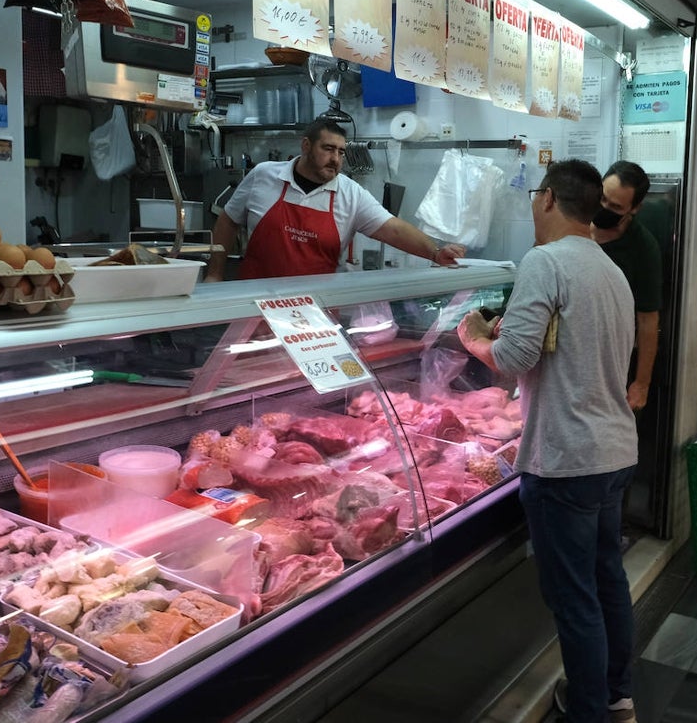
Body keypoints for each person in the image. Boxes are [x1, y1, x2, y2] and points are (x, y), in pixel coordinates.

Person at [457, 159, 640, 723]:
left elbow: (514, 360)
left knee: (574, 599)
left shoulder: (545, 261)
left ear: (548, 200)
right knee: (608, 579)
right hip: (613, 453)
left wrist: (473, 339)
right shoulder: (611, 270)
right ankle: (618, 696)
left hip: (566, 460)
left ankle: (588, 713)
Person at [206, 119, 465, 280]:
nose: (336, 159)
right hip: (254, 302)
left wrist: (436, 252)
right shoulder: (264, 175)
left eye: (341, 152)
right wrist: (215, 275)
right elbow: (228, 221)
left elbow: (393, 229)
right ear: (306, 146)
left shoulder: (350, 193)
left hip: (316, 309)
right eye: (328, 149)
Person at [591, 161, 662, 410]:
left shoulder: (642, 247)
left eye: (615, 207)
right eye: (602, 199)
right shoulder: (574, 222)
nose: (604, 208)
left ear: (634, 209)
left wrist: (641, 383)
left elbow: (648, 319)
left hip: (614, 360)